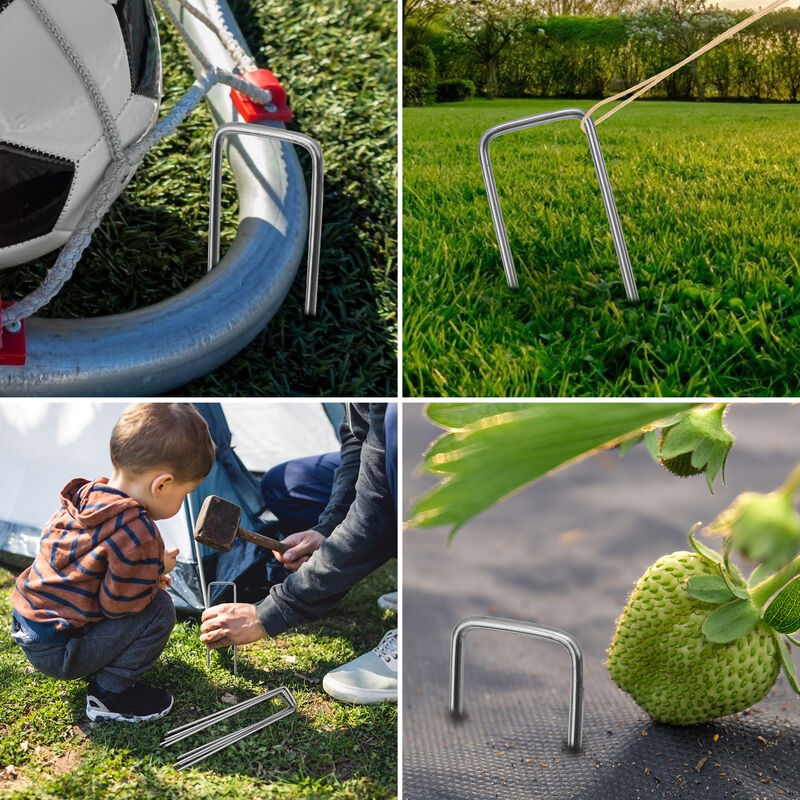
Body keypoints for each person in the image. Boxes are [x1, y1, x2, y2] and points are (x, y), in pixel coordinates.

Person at [10, 403, 215, 723]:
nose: (183, 500)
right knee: (159, 608)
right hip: (58, 649)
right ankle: (110, 695)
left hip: (29, 625)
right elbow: (118, 606)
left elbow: (89, 567)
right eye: (185, 493)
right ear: (161, 485)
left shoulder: (88, 495)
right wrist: (155, 570)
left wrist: (142, 572)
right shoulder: (137, 531)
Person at [200, 403, 398, 704]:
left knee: (399, 426)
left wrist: (271, 612)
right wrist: (328, 528)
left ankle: (436, 605)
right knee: (286, 485)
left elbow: (377, 509)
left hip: (441, 454)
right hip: (390, 444)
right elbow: (360, 439)